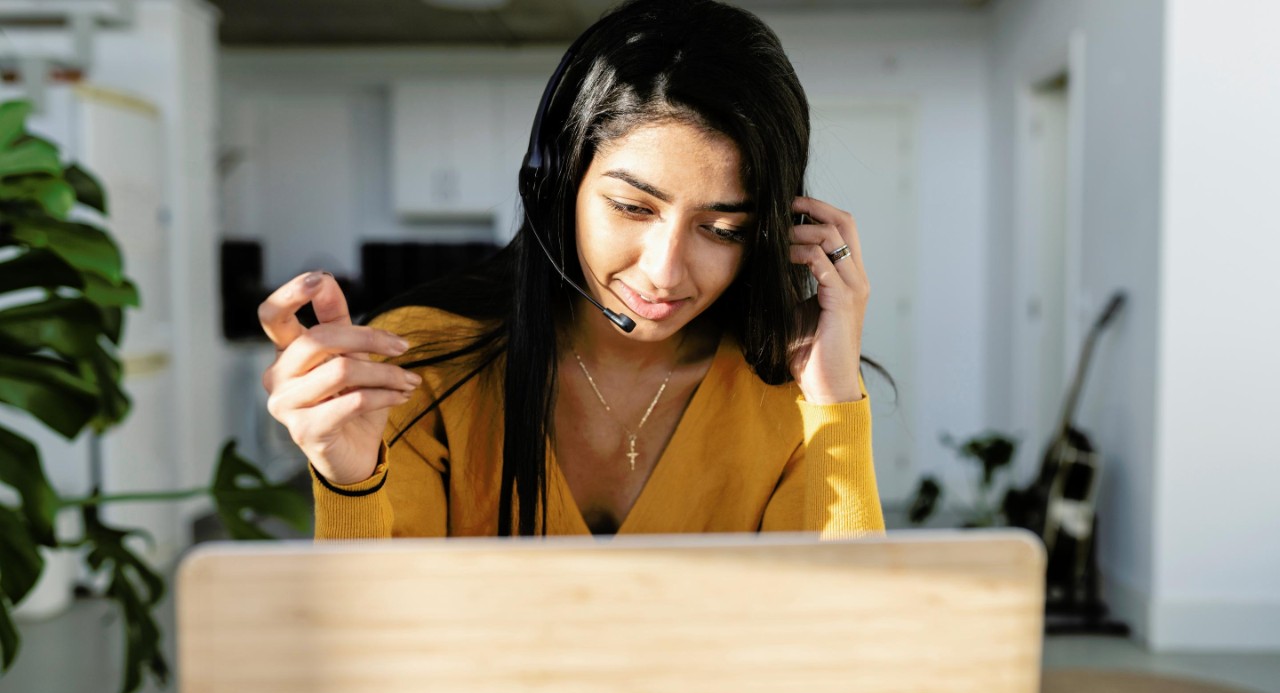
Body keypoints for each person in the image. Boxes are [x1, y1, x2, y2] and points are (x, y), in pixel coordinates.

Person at [258, 0, 887, 539]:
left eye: (724, 230)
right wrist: (351, 486)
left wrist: (834, 405)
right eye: (630, 207)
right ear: (557, 187)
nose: (665, 273)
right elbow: (383, 650)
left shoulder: (788, 393)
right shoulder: (424, 365)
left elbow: (846, 649)